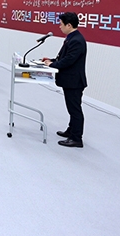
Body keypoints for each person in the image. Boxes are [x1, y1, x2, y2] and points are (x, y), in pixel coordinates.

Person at [43, 12, 88, 148]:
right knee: (71, 108)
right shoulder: (71, 38)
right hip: (70, 80)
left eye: (61, 24)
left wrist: (53, 65)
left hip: (74, 81)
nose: (59, 26)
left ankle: (76, 138)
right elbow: (63, 56)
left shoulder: (77, 40)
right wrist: (51, 60)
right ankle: (71, 130)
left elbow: (69, 60)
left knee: (75, 109)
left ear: (69, 25)